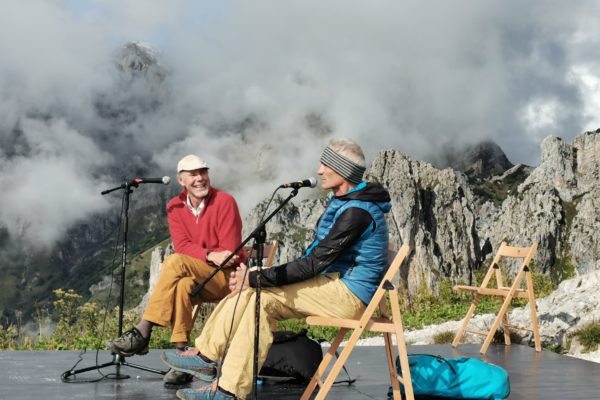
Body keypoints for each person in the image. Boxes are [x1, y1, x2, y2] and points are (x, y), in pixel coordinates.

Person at [161, 139, 392, 400]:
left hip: (350, 295)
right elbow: (315, 264)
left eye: (325, 165)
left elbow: (314, 263)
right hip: (334, 283)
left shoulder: (356, 212)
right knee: (253, 293)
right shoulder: (349, 203)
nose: (318, 171)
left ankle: (219, 379)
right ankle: (213, 369)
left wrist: (257, 278)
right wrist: (257, 278)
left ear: (343, 171)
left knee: (258, 293)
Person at [107, 154, 246, 385]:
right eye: (193, 174)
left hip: (228, 278)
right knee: (182, 283)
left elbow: (229, 253)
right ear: (181, 181)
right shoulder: (175, 206)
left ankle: (144, 330)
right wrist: (210, 254)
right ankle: (182, 357)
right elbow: (182, 245)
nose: (200, 178)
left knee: (174, 261)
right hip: (201, 276)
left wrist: (203, 255)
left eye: (203, 172)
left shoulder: (224, 201)